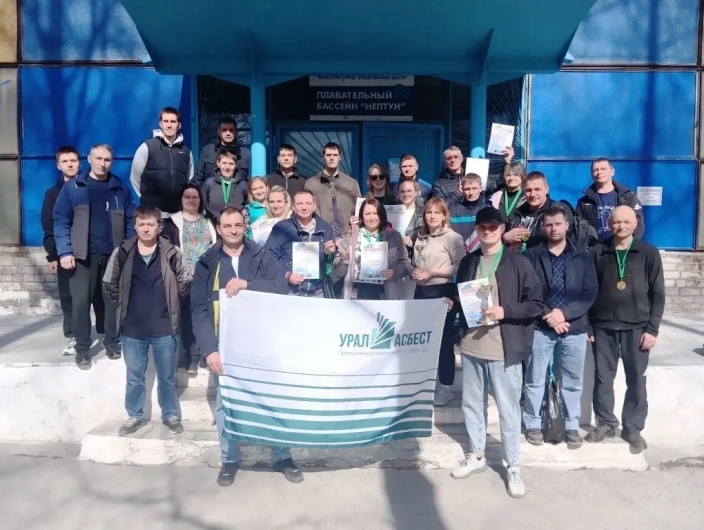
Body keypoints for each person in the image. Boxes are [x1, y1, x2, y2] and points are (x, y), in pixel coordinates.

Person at [190, 207, 302, 485]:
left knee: (273, 400)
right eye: (227, 226)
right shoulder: (207, 262)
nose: (233, 230)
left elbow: (281, 287)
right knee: (226, 405)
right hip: (225, 346)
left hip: (262, 342)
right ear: (219, 229)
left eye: (238, 225)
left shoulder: (261, 255)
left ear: (244, 226)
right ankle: (229, 459)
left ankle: (282, 456)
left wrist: (246, 284)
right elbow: (198, 309)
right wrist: (209, 349)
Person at [451, 207, 542, 499]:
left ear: (502, 228)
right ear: (476, 230)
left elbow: (536, 303)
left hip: (504, 349)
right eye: (483, 227)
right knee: (472, 404)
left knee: (508, 409)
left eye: (493, 227)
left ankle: (512, 465)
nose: (488, 231)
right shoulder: (469, 261)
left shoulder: (518, 262)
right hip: (472, 345)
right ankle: (477, 454)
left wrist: (506, 311)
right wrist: (453, 304)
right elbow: (462, 295)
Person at [103, 205, 190, 436]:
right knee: (134, 377)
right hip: (132, 328)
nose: (145, 229)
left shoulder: (171, 252)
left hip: (164, 326)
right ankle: (134, 415)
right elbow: (109, 284)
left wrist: (171, 305)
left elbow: (185, 282)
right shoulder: (123, 252)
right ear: (134, 226)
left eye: (150, 224)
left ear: (158, 226)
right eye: (141, 224)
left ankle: (170, 415)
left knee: (167, 377)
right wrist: (123, 307)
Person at [586, 206, 664, 450]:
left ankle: (633, 427)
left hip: (637, 328)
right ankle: (605, 423)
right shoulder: (598, 252)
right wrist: (588, 325)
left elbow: (658, 294)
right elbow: (588, 291)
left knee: (636, 379)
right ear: (610, 224)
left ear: (635, 224)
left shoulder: (648, 253)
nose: (621, 226)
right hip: (603, 327)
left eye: (626, 222)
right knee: (603, 378)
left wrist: (652, 329)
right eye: (617, 221)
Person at [523, 207, 599, 448]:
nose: (553, 228)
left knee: (573, 380)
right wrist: (549, 315)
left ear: (567, 225)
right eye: (548, 224)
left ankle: (571, 426)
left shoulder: (583, 257)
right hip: (540, 327)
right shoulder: (531, 256)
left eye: (557, 224)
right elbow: (528, 292)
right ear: (542, 227)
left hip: (573, 328)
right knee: (534, 379)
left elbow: (589, 293)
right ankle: (533, 423)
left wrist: (563, 314)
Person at [54, 144, 136, 366]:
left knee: (112, 302)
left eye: (107, 160)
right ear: (89, 159)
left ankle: (112, 343)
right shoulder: (73, 188)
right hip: (82, 257)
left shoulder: (119, 189)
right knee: (80, 304)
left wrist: (127, 250)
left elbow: (130, 222)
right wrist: (65, 252)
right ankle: (82, 348)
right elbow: (61, 220)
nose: (102, 163)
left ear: (112, 162)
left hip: (112, 256)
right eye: (98, 158)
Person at [42, 146, 104, 356]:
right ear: (58, 165)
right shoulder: (53, 194)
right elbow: (49, 225)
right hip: (66, 254)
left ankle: (104, 332)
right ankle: (73, 336)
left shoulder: (89, 187)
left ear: (80, 163)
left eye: (74, 161)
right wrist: (54, 255)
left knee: (99, 295)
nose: (70, 164)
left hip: (93, 251)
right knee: (70, 297)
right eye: (65, 161)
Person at [411, 198, 466, 405]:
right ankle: (426, 384)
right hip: (421, 293)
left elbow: (462, 265)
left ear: (444, 215)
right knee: (424, 342)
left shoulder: (453, 237)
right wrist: (414, 271)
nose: (432, 216)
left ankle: (446, 386)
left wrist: (433, 272)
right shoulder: (420, 236)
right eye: (428, 212)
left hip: (443, 293)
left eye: (437, 212)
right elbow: (416, 262)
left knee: (443, 344)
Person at [161, 184, 217, 374]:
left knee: (204, 317)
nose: (191, 200)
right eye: (187, 197)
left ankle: (199, 356)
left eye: (195, 197)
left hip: (206, 277)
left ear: (200, 199)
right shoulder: (171, 223)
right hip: (182, 278)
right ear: (181, 199)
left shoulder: (209, 221)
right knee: (183, 318)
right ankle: (184, 359)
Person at [265, 190, 336, 298]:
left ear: (314, 206)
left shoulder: (325, 228)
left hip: (317, 293)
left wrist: (330, 253)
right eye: (299, 204)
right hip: (290, 292)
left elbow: (330, 265)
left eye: (308, 203)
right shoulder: (282, 228)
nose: (304, 207)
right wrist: (287, 275)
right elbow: (268, 257)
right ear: (293, 206)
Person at [341, 198, 411, 300]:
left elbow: (406, 263)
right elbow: (337, 259)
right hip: (356, 292)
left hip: (385, 292)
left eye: (375, 213)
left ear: (381, 214)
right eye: (367, 214)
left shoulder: (394, 237)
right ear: (361, 216)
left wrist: (394, 272)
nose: (372, 218)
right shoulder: (352, 235)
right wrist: (342, 257)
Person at [130, 107, 194, 215]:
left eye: (173, 121)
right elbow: (135, 178)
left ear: (179, 125)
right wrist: (146, 199)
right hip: (151, 213)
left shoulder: (186, 152)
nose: (169, 125)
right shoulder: (147, 147)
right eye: (166, 121)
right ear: (160, 124)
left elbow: (189, 179)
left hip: (177, 212)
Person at [576, 158, 645, 243]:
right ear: (591, 174)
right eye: (595, 170)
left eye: (603, 169)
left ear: (612, 172)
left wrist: (629, 246)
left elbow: (638, 225)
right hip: (595, 248)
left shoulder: (628, 197)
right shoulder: (585, 201)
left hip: (621, 246)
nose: (599, 172)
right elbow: (580, 228)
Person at [305, 142, 361, 239]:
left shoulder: (351, 183)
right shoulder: (311, 184)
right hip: (320, 236)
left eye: (335, 155)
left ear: (340, 158)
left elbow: (359, 210)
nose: (332, 158)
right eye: (328, 155)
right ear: (323, 158)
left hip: (346, 237)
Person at [429, 146, 512, 208]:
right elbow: (439, 207)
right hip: (453, 222)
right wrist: (458, 193)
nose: (453, 160)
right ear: (445, 161)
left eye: (456, 157)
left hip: (476, 220)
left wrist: (507, 162)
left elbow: (498, 184)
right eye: (449, 158)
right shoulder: (438, 184)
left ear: (462, 159)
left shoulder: (475, 176)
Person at [194, 116, 251, 185]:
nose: (228, 133)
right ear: (219, 131)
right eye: (224, 130)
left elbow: (250, 181)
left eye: (231, 130)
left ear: (236, 132)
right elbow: (198, 178)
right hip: (212, 191)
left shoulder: (245, 154)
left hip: (237, 191)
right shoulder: (208, 151)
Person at [202, 149, 248, 222]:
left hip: (235, 225)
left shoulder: (242, 184)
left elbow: (247, 205)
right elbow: (204, 204)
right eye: (224, 163)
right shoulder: (209, 183)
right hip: (213, 223)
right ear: (218, 163)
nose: (227, 167)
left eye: (231, 164)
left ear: (236, 165)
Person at [397, 180, 424, 299]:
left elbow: (429, 239)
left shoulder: (424, 213)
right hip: (394, 263)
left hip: (413, 262)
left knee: (409, 300)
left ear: (416, 192)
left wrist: (413, 243)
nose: (405, 194)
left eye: (409, 191)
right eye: (402, 191)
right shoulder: (391, 212)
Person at [449, 173, 487, 251]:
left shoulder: (488, 210)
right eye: (467, 189)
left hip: (482, 253)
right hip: (458, 253)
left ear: (481, 189)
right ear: (462, 190)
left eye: (474, 188)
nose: (471, 193)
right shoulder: (453, 211)